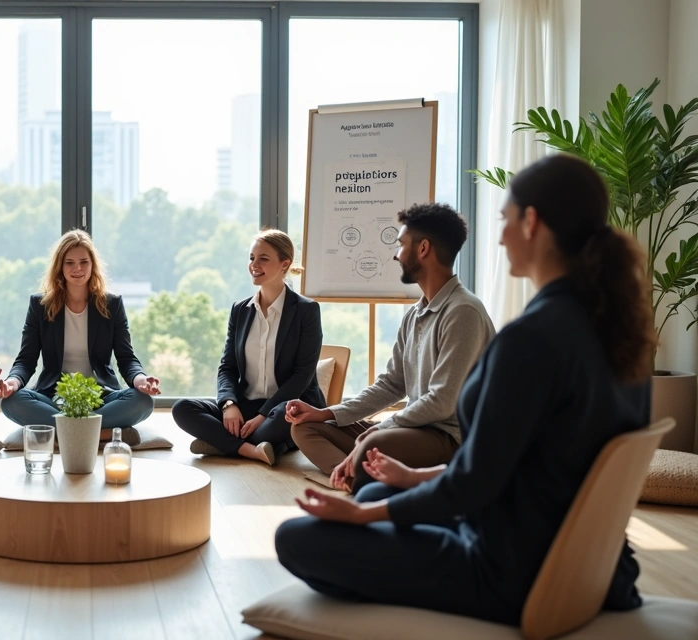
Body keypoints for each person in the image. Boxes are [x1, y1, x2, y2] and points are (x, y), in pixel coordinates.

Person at [274, 154, 655, 625]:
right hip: (581, 559)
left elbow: (475, 483)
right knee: (375, 496)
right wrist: (410, 480)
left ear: (531, 222)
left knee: (296, 537)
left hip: (510, 571)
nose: (499, 236)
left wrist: (359, 519)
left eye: (505, 219)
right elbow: (523, 468)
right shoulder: (619, 335)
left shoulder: (532, 339)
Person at [286, 203, 494, 492]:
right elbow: (391, 384)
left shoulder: (464, 312)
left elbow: (442, 402)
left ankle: (361, 472)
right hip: (413, 430)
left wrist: (383, 427)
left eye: (401, 245)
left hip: (447, 438)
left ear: (423, 249)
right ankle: (357, 476)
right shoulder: (414, 314)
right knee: (304, 427)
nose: (396, 254)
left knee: (373, 441)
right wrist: (328, 413)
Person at [171, 230, 324, 466]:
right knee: (183, 408)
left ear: (285, 264)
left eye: (263, 258)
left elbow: (302, 375)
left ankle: (225, 443)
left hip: (285, 406)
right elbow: (227, 367)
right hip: (245, 406)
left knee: (288, 415)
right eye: (252, 258)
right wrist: (229, 405)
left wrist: (262, 416)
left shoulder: (306, 310)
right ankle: (253, 449)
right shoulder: (240, 310)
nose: (254, 264)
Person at [0, 230, 159, 443]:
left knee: (142, 401)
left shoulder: (112, 305)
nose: (77, 269)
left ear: (93, 265)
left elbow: (126, 358)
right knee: (11, 402)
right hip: (55, 398)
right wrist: (12, 383)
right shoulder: (40, 306)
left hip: (101, 397)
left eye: (84, 262)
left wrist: (141, 380)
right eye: (69, 263)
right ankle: (100, 434)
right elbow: (26, 360)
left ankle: (64, 433)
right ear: (60, 267)